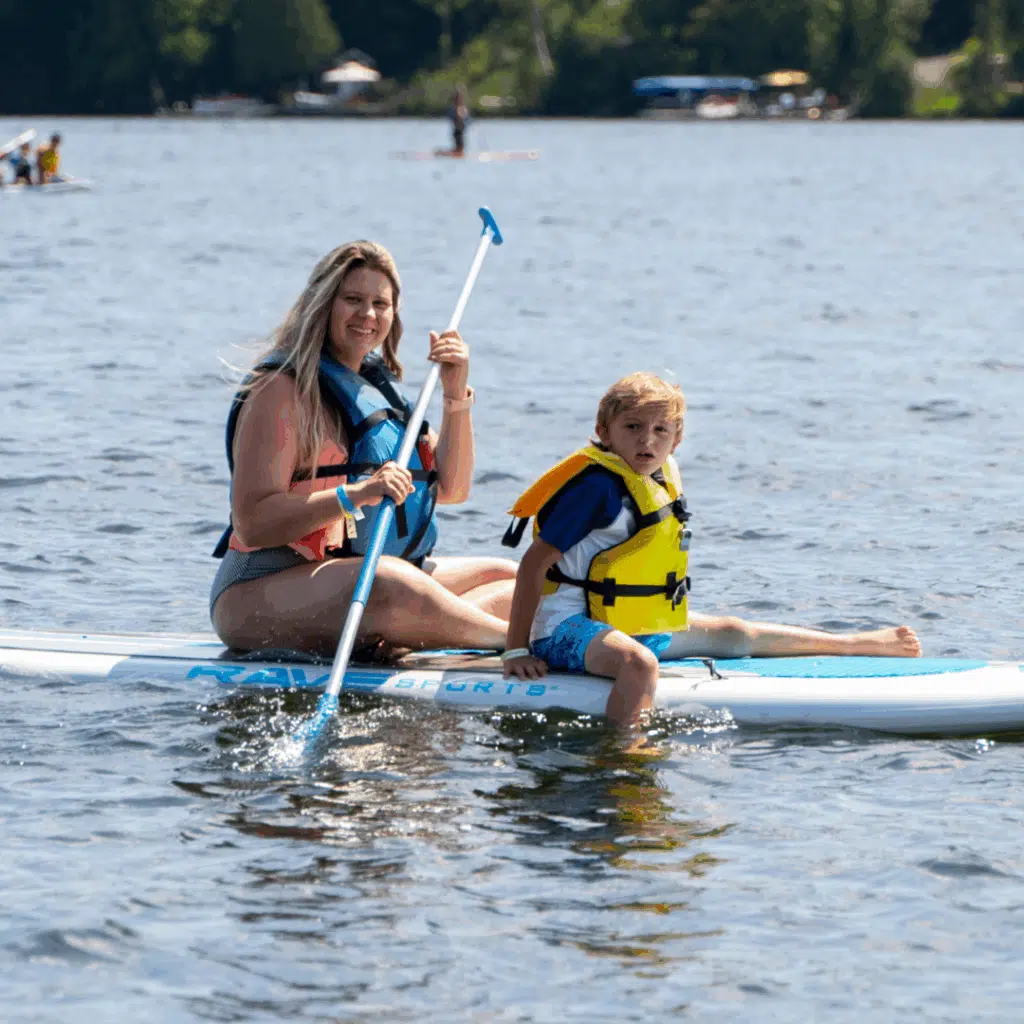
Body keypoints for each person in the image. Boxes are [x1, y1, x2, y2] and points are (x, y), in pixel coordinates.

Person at [500, 373, 921, 730]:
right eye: (632, 427)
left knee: (735, 632)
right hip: (564, 629)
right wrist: (517, 649)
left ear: (676, 438)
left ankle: (854, 644)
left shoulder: (656, 476)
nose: (647, 440)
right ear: (604, 431)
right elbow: (533, 563)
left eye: (660, 430)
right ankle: (625, 761)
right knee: (639, 665)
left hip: (628, 620)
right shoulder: (595, 489)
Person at [210, 240, 517, 657]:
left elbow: (452, 490)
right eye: (353, 299)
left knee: (509, 578)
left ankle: (416, 631)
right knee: (388, 580)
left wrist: (455, 394)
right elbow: (253, 523)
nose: (368, 314)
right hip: (258, 590)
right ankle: (517, 642)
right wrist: (357, 494)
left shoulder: (377, 391)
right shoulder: (279, 390)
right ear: (323, 304)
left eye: (380, 303)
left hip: (352, 577)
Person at [449, 87, 468, 156]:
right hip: (457, 130)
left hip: (460, 129)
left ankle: (459, 151)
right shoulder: (456, 108)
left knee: (460, 142)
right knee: (457, 141)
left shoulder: (461, 108)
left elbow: (464, 117)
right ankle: (457, 151)